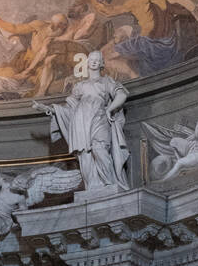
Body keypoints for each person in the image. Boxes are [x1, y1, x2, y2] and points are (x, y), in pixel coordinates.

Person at [35, 49, 129, 192]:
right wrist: (47, 108)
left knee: (100, 148)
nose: (94, 62)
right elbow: (68, 109)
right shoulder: (79, 86)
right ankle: (93, 187)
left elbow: (121, 95)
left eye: (97, 59)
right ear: (87, 63)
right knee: (85, 155)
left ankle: (110, 184)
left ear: (102, 64)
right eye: (91, 59)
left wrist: (110, 109)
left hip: (99, 117)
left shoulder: (106, 81)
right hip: (80, 122)